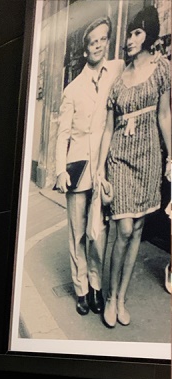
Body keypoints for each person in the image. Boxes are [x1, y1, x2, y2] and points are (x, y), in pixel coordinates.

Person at [96, 5, 171, 328]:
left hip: (150, 157)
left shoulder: (162, 69)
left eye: (137, 32)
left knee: (138, 229)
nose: (130, 39)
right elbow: (107, 129)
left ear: (148, 35)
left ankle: (121, 298)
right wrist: (101, 167)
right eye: (128, 33)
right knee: (124, 229)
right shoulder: (118, 81)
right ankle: (110, 296)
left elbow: (164, 116)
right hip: (121, 158)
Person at [55, 16, 124, 316]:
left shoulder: (117, 70)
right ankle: (81, 289)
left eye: (102, 40)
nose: (97, 46)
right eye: (92, 42)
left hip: (105, 167)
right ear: (85, 49)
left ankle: (96, 286)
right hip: (78, 168)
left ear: (108, 42)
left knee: (100, 232)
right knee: (78, 233)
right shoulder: (72, 89)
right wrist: (60, 170)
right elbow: (63, 134)